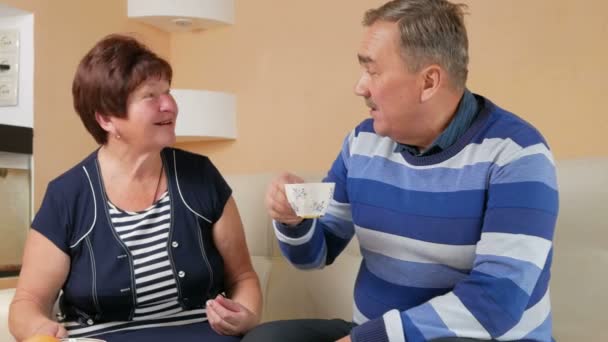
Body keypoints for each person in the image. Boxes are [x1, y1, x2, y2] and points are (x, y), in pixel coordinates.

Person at [245, 0, 558, 341]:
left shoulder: (517, 155)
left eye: (373, 71)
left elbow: (496, 302)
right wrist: (294, 220)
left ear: (428, 82)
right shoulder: (361, 143)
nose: (359, 87)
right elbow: (316, 254)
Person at [9, 34, 262, 341]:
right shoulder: (67, 196)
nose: (169, 105)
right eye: (150, 96)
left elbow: (242, 277)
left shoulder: (202, 176)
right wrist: (38, 327)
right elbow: (28, 303)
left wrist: (244, 316)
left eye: (168, 92)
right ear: (106, 119)